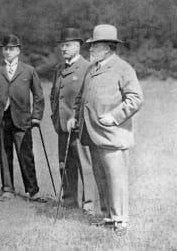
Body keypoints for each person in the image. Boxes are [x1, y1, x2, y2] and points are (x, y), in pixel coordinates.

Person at [67, 24, 143, 236]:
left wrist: (114, 116)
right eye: (91, 46)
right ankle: (108, 217)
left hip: (112, 135)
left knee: (116, 178)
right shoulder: (93, 69)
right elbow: (81, 97)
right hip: (92, 134)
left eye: (95, 46)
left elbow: (136, 99)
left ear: (108, 48)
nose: (90, 49)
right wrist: (75, 117)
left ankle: (120, 220)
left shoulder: (123, 68)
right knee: (101, 178)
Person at [0, 34, 45, 202]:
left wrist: (36, 117)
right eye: (5, 49)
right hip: (1, 118)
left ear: (18, 50)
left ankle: (33, 191)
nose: (8, 52)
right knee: (4, 153)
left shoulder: (29, 70)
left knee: (26, 154)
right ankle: (7, 189)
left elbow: (39, 95)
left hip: (23, 118)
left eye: (12, 49)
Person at [50, 27, 94, 213]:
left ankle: (89, 204)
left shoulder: (87, 68)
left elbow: (88, 97)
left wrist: (77, 119)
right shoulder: (59, 68)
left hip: (79, 126)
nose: (63, 49)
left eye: (67, 45)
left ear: (78, 46)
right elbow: (54, 95)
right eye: (62, 45)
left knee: (85, 165)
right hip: (62, 126)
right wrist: (55, 117)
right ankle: (69, 201)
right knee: (65, 164)